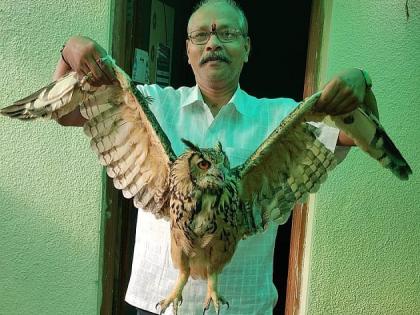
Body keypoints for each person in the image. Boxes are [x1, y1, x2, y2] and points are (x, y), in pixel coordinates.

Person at [54, 1, 375, 314]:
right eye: (201, 36)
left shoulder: (280, 116)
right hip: (158, 302)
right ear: (188, 50)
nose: (213, 44)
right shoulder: (152, 103)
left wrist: (362, 83)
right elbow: (65, 112)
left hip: (241, 304)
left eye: (227, 34)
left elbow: (362, 133)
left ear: (247, 48)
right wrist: (69, 51)